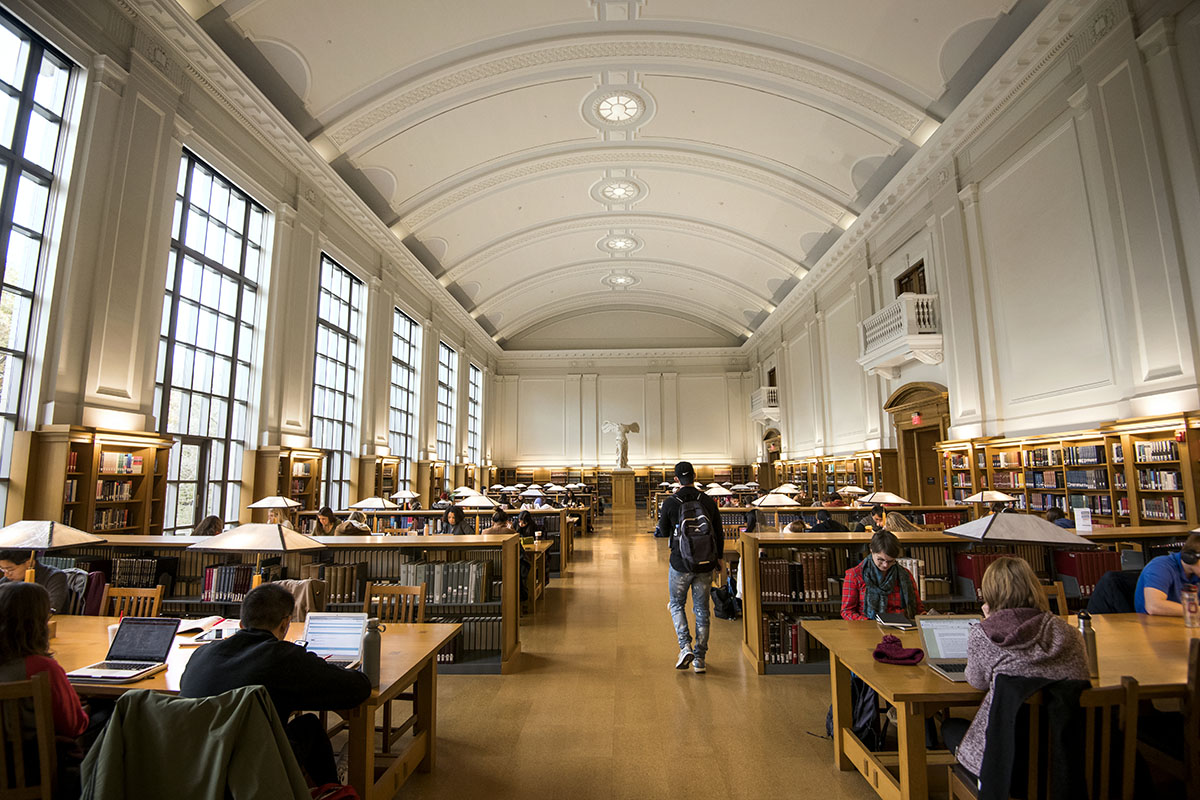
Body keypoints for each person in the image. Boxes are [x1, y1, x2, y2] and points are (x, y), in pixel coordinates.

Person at [180, 583, 371, 787]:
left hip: (193, 767)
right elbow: (358, 689)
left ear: (242, 624)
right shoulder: (283, 658)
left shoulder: (201, 654)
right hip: (252, 772)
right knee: (309, 726)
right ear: (285, 624)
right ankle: (332, 793)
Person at [940, 557, 1089, 779]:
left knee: (949, 728)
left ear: (989, 593)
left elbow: (976, 682)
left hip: (1007, 766)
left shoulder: (984, 635)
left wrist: (991, 620)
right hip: (1068, 757)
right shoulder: (1069, 633)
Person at [0, 582, 89, 793]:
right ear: (37, 623)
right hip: (35, 772)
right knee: (107, 718)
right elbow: (73, 726)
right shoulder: (43, 669)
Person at [656, 461, 724, 674]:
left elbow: (663, 531)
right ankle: (700, 658)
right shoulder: (708, 500)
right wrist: (719, 558)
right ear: (694, 476)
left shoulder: (670, 502)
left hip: (680, 562)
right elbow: (718, 532)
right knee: (702, 609)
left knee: (677, 604)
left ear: (676, 479)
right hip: (706, 562)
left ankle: (685, 646)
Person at [840, 530, 923, 621]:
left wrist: (927, 617)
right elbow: (847, 611)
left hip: (903, 625)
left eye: (890, 561)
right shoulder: (854, 575)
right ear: (871, 550)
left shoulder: (905, 575)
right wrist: (867, 622)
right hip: (869, 625)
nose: (885, 565)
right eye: (880, 559)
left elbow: (918, 609)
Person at [1135, 532, 1200, 615]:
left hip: (1185, 621)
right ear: (1190, 557)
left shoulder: (1196, 573)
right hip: (1155, 622)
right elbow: (1154, 606)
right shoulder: (1159, 566)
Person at [0, 549, 69, 613]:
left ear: (29, 563)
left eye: (10, 570)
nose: (6, 575)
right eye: (3, 569)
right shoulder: (6, 581)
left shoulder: (54, 576)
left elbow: (51, 608)